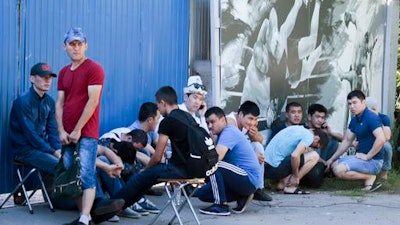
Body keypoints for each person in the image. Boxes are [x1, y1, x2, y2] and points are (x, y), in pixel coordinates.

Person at [110, 86, 198, 213]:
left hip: (180, 170)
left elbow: (157, 156)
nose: (159, 109)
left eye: (158, 104)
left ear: (163, 103)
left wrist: (146, 170)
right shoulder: (187, 117)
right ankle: (128, 202)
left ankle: (115, 205)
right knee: (146, 175)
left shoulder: (168, 121)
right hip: (195, 169)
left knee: (144, 176)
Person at [56, 27, 106, 225]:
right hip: (67, 133)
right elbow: (59, 102)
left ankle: (84, 218)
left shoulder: (94, 69)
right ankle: (84, 216)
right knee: (71, 173)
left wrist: (78, 129)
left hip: (86, 132)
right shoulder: (63, 72)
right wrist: (61, 130)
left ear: (86, 45)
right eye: (71, 44)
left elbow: (93, 101)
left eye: (79, 44)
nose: (75, 48)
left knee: (85, 173)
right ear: (65, 47)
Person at [9, 63, 60, 204]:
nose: (47, 80)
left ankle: (56, 198)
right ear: (32, 78)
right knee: (60, 165)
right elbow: (30, 134)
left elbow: (53, 131)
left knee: (70, 161)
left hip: (42, 148)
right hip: (24, 150)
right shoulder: (22, 102)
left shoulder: (49, 101)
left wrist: (57, 149)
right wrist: (53, 152)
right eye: (43, 77)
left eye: (50, 77)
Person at [197, 106, 261, 215]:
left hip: (249, 178)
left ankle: (221, 205)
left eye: (212, 122)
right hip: (240, 179)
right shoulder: (221, 135)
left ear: (223, 120)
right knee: (202, 193)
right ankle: (241, 196)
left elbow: (216, 157)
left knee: (214, 164)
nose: (210, 126)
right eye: (207, 123)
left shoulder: (229, 132)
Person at [326, 90, 386, 192]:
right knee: (334, 165)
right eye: (349, 104)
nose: (352, 107)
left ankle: (369, 177)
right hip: (360, 158)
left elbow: (381, 139)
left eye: (355, 103)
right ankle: (367, 177)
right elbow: (347, 141)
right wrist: (331, 159)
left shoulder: (371, 117)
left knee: (339, 170)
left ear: (363, 102)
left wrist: (368, 156)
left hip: (374, 161)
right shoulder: (355, 119)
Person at [226, 101, 272, 201]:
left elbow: (261, 140)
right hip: (225, 157)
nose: (253, 123)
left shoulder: (246, 124)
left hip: (238, 157)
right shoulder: (230, 122)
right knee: (255, 151)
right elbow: (233, 149)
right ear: (241, 114)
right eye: (250, 118)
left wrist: (254, 135)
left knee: (257, 146)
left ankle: (258, 188)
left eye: (255, 119)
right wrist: (251, 156)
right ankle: (244, 190)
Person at [264, 125, 329, 194]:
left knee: (301, 154)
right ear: (316, 139)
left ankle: (283, 183)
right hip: (275, 168)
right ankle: (291, 186)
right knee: (315, 156)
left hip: (266, 166)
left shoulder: (298, 128)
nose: (312, 148)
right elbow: (294, 156)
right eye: (315, 146)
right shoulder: (309, 136)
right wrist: (296, 176)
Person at [301, 103, 342, 188]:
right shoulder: (304, 130)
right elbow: (310, 152)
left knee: (334, 140)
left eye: (322, 118)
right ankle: (326, 171)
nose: (320, 120)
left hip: (323, 161)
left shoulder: (323, 130)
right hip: (310, 162)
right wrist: (325, 163)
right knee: (315, 179)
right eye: (317, 117)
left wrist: (331, 133)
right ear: (309, 117)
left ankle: (327, 170)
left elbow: (346, 140)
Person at [365, 96, 392, 182]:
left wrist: (376, 120)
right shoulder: (361, 117)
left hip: (379, 141)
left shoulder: (384, 118)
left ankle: (384, 173)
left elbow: (387, 137)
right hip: (365, 142)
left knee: (387, 147)